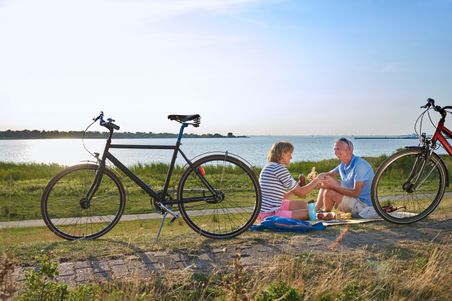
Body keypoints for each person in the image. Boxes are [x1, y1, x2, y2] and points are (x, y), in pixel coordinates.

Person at [259, 141, 321, 221]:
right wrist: (318, 179)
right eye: (290, 154)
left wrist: (296, 187)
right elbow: (301, 193)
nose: (291, 157)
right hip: (270, 214)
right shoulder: (279, 169)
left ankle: (317, 214)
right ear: (282, 154)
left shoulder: (269, 166)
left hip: (266, 209)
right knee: (310, 212)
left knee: (305, 205)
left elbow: (281, 197)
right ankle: (320, 215)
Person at [316, 137, 376, 217]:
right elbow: (328, 175)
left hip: (363, 205)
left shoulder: (360, 165)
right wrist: (316, 179)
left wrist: (332, 187)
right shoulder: (343, 164)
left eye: (339, 149)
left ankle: (324, 213)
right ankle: (317, 210)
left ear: (349, 150)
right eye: (335, 149)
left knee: (329, 192)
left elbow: (356, 193)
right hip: (352, 198)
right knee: (326, 178)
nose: (336, 152)